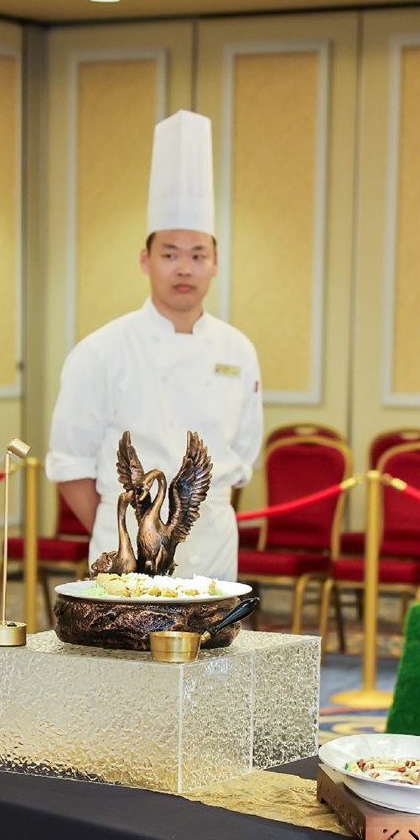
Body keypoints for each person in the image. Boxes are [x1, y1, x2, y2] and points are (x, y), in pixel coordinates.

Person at [46, 110, 263, 582]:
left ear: (215, 262)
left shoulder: (239, 351)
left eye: (197, 255)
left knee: (217, 632)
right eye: (169, 254)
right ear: (146, 260)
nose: (184, 268)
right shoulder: (101, 350)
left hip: (216, 548)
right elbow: (70, 465)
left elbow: (241, 457)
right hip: (128, 556)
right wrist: (131, 527)